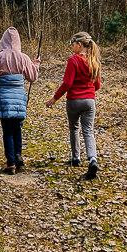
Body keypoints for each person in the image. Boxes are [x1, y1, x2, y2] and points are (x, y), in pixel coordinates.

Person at [0, 27, 40, 174]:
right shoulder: (24, 57)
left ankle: (11, 164)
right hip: (19, 98)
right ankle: (18, 155)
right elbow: (33, 77)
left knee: (8, 130)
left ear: (3, 41)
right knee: (17, 128)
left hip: (4, 98)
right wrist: (36, 64)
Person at [45, 31, 101, 180]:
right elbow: (98, 85)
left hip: (74, 100)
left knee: (74, 128)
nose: (72, 47)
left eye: (73, 44)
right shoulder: (94, 61)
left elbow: (67, 83)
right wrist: (88, 92)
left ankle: (76, 158)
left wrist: (54, 98)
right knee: (88, 131)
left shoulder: (73, 60)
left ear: (80, 45)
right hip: (90, 101)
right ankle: (92, 159)